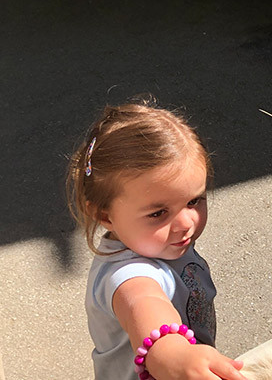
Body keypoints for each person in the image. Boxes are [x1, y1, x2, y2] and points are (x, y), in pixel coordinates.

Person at [66, 102, 245, 380]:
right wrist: (171, 353)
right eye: (158, 213)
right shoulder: (127, 276)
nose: (187, 222)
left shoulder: (160, 241)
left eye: (193, 200)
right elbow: (143, 302)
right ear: (105, 215)